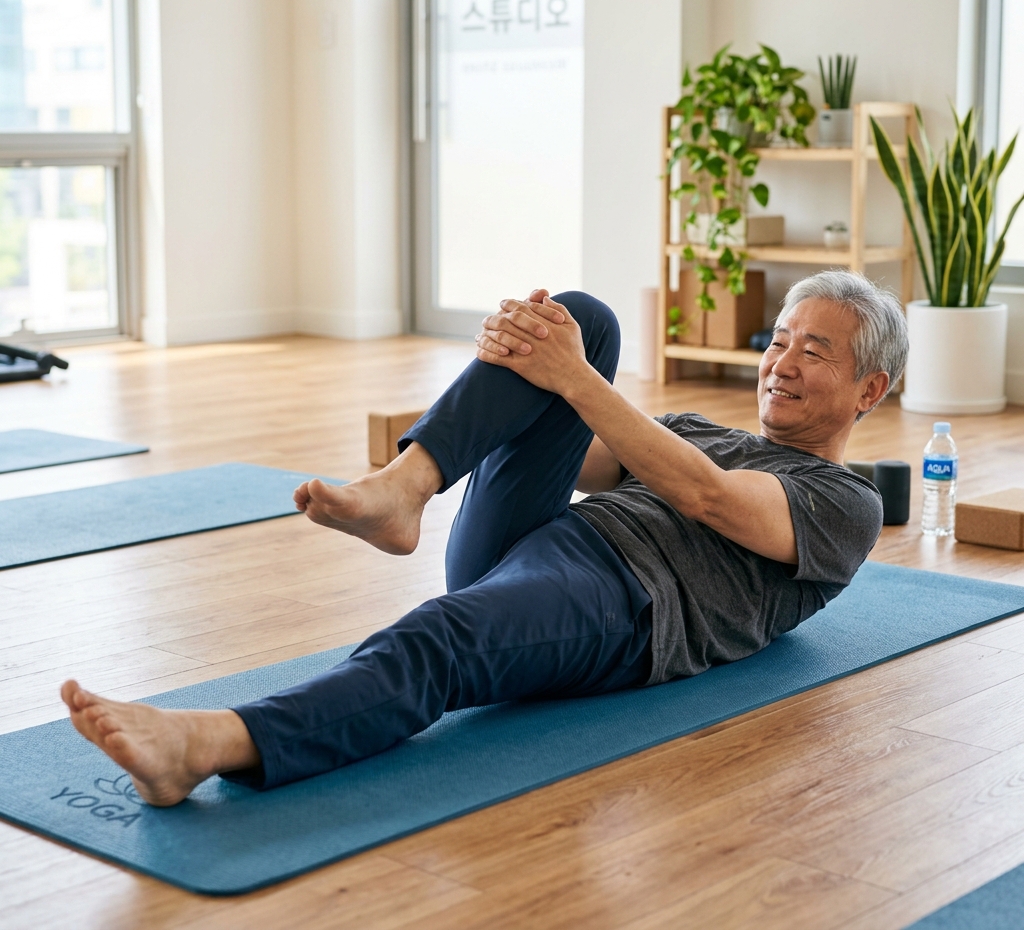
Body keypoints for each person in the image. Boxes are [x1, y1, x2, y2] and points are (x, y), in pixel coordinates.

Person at [61, 270, 908, 807]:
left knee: (442, 639)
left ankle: (210, 744)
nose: (782, 362)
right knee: (579, 316)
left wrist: (568, 375)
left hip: (623, 605)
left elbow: (704, 494)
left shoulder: (846, 504)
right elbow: (576, 449)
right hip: (541, 543)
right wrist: (515, 368)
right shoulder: (698, 428)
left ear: (869, 390)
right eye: (779, 341)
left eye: (814, 352)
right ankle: (405, 488)